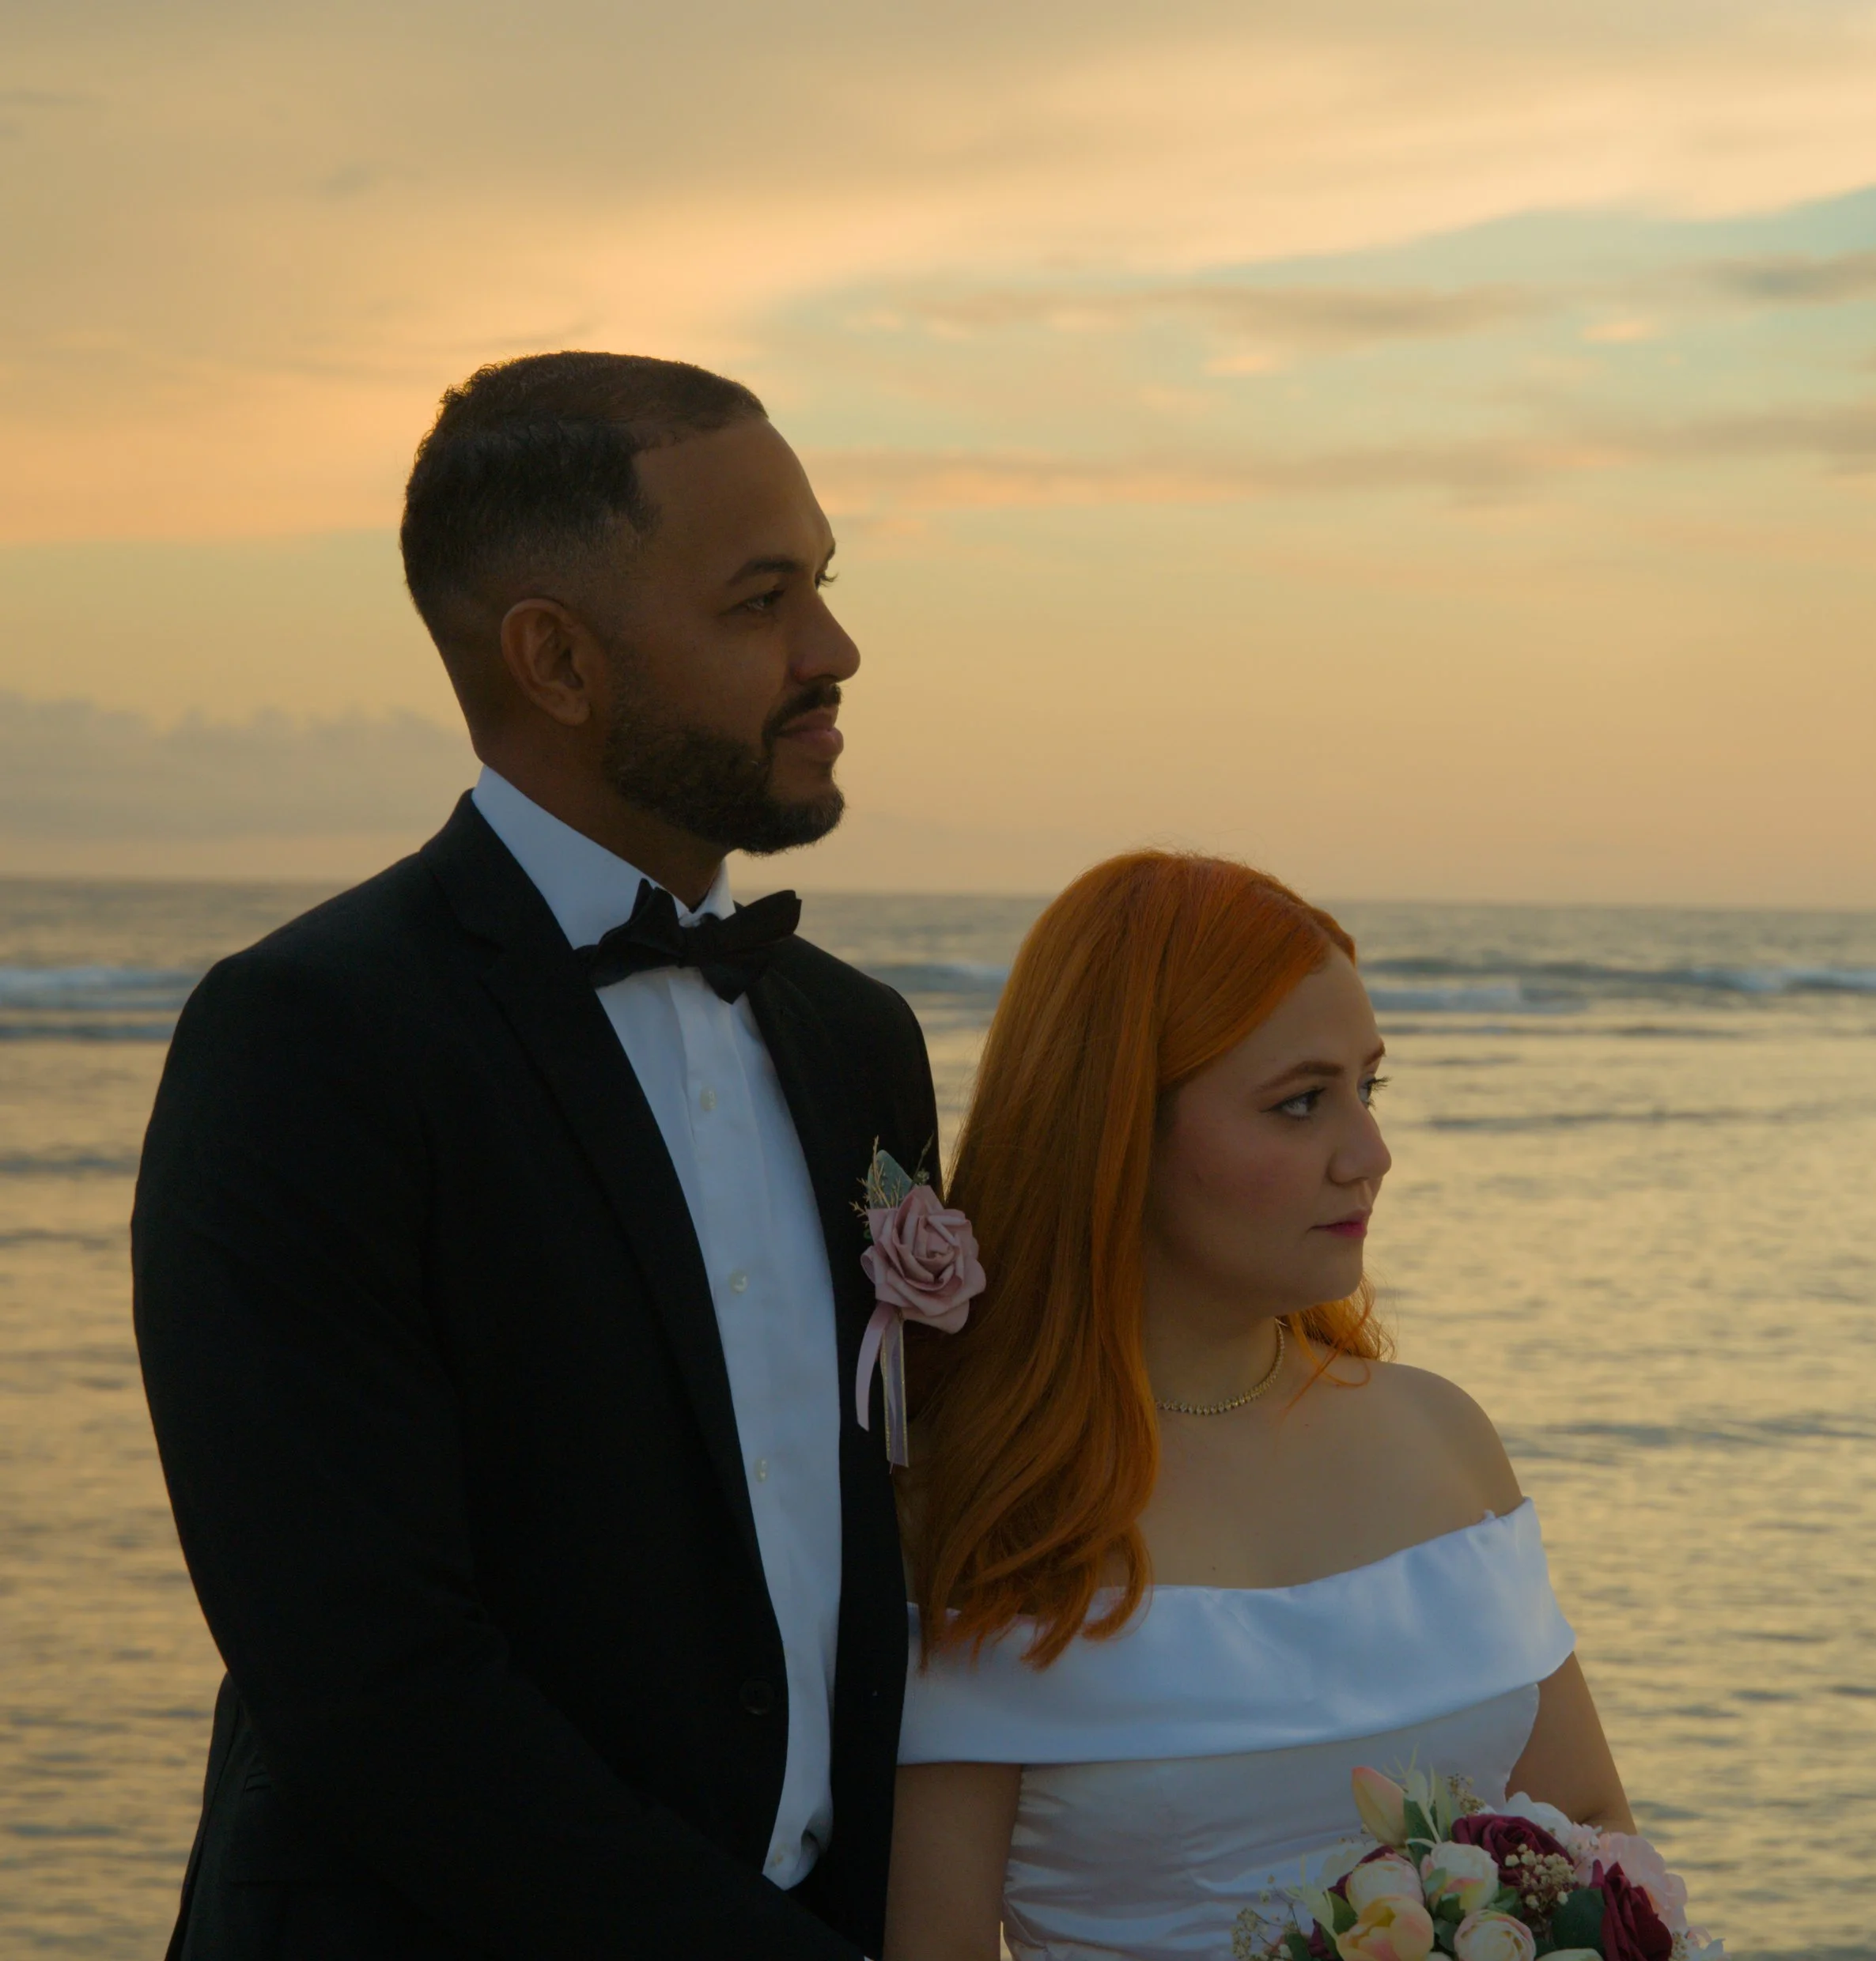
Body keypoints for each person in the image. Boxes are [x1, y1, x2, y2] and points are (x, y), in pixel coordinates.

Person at [133, 352, 935, 1959]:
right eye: (759, 599)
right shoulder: (308, 1037)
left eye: (823, 588)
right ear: (556, 660)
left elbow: (891, 1544)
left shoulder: (856, 1043)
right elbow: (368, 1675)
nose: (832, 651)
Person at [884, 852, 1632, 1961]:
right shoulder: (980, 1502)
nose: (1370, 1155)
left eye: (1367, 1090)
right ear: (1119, 1131)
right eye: (1300, 1104)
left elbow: (1593, 1836)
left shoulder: (1443, 1436)